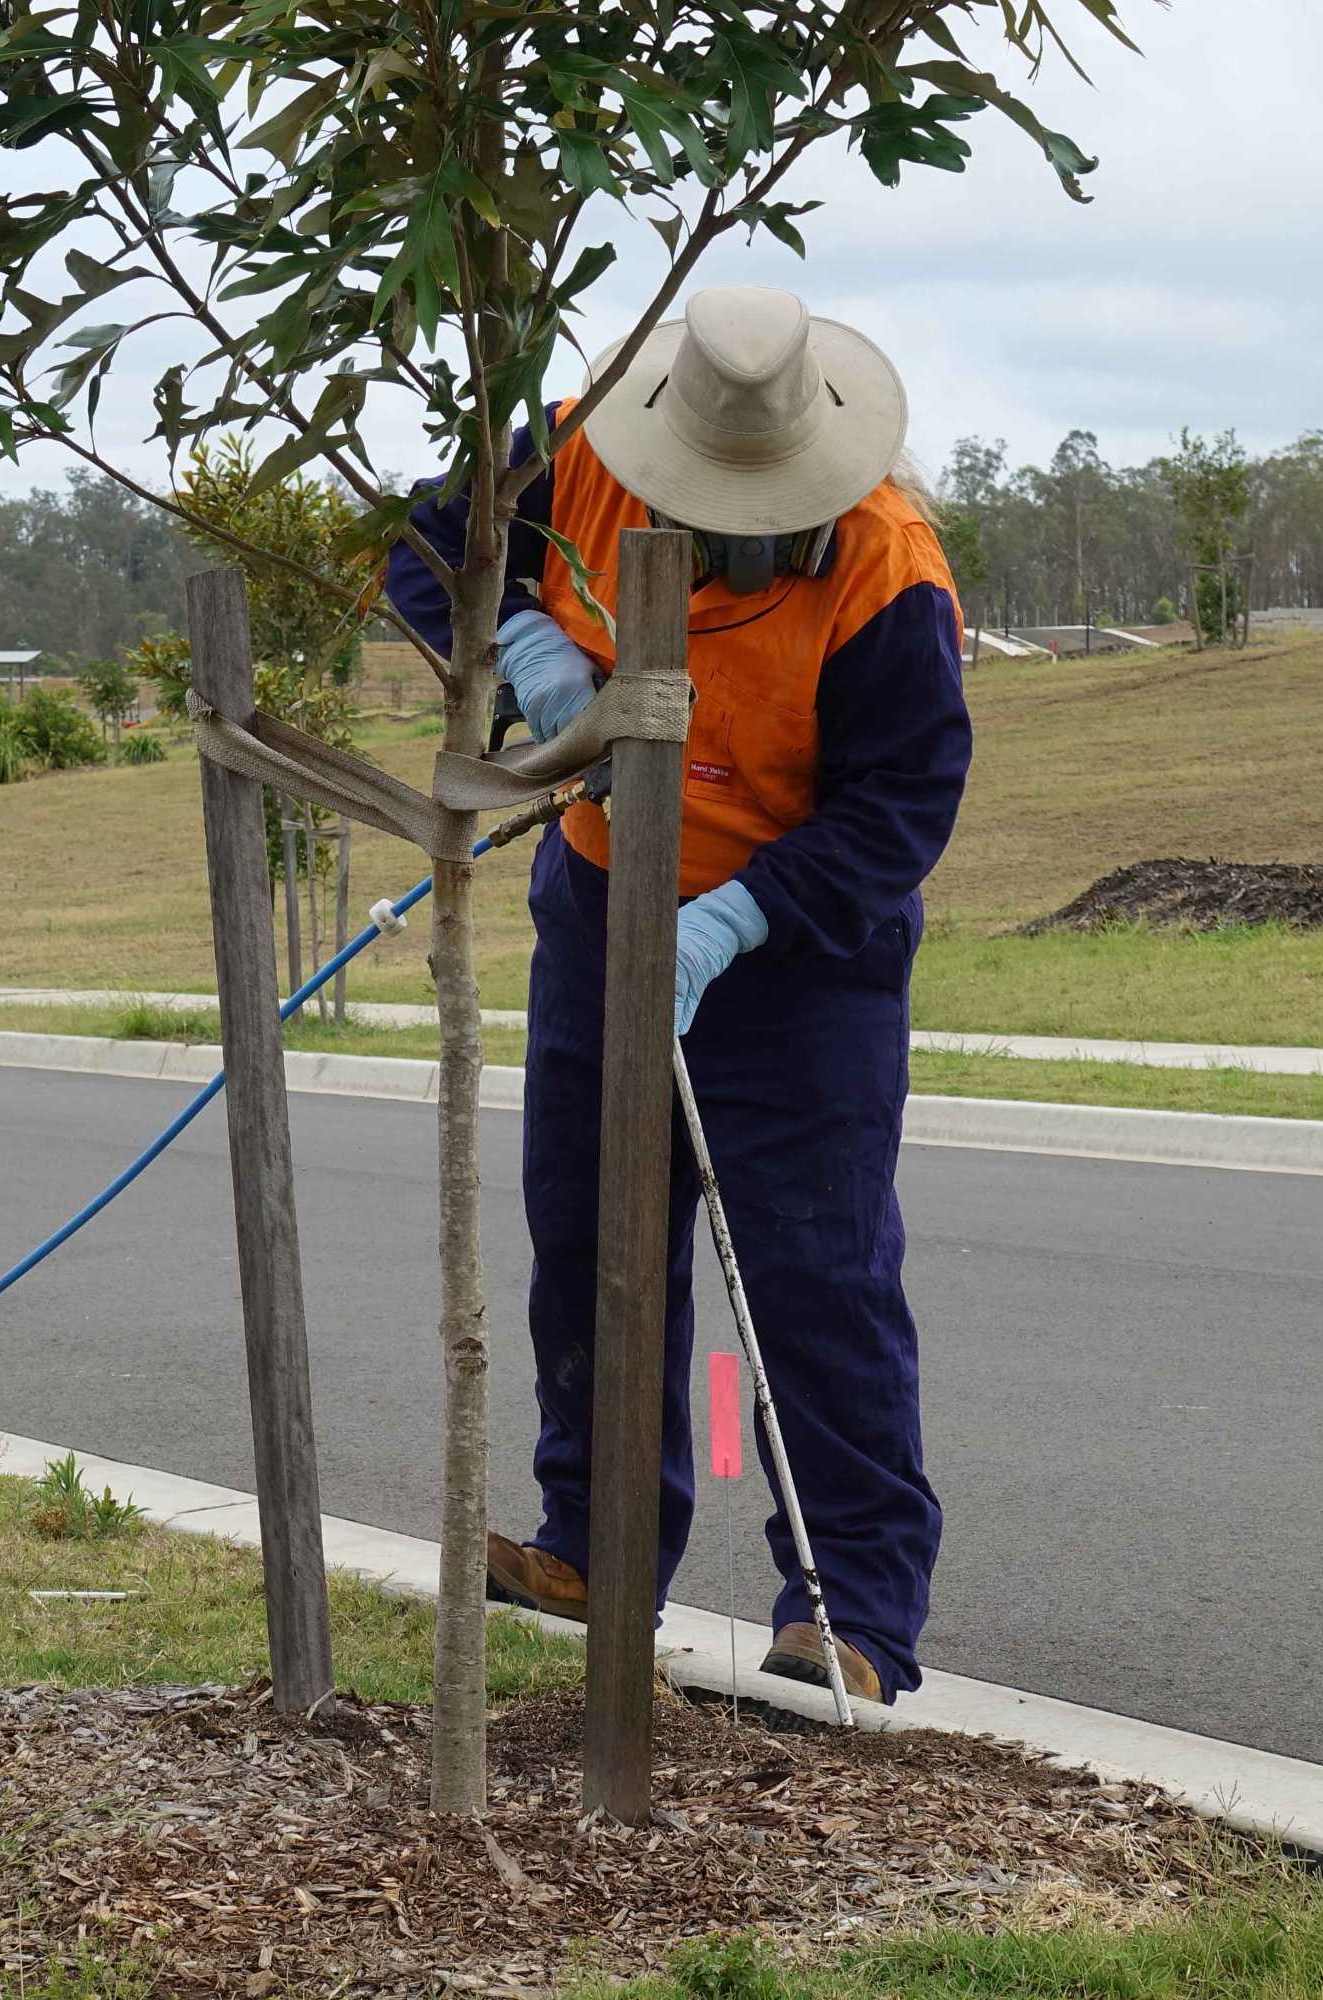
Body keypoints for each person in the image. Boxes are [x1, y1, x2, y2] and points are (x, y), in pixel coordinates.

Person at [384, 285, 971, 1703]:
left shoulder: (890, 574)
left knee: (813, 1281)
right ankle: (602, 1547)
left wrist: (733, 922)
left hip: (796, 960)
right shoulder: (581, 450)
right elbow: (423, 551)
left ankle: (853, 1613)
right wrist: (527, 649)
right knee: (595, 1235)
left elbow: (901, 809)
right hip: (599, 902)